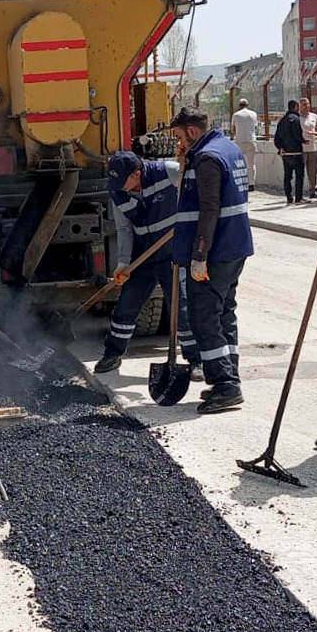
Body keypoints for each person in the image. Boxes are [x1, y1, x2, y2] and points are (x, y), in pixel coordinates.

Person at [169, 106, 254, 414]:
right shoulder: (228, 148)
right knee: (224, 312)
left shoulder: (207, 159)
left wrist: (199, 255)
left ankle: (225, 385)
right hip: (235, 247)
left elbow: (209, 210)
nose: (178, 143)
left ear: (192, 131)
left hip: (215, 251)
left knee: (204, 315)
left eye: (179, 136)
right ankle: (229, 377)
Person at [95, 151, 199, 374]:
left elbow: (198, 190)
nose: (119, 186)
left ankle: (196, 360)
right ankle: (112, 354)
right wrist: (123, 262)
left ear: (137, 173)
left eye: (123, 181)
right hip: (143, 255)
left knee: (180, 306)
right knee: (126, 304)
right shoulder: (117, 192)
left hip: (174, 253)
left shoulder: (168, 172)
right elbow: (124, 228)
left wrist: (189, 222)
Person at [273, 99, 305, 204]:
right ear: (296, 107)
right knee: (299, 176)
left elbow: (277, 137)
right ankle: (298, 198)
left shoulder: (282, 120)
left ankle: (289, 197)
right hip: (296, 152)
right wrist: (303, 141)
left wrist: (280, 147)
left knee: (287, 176)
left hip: (286, 154)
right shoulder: (296, 119)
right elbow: (297, 135)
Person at [229, 98, 260, 189]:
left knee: (239, 164)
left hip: (239, 142)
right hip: (251, 141)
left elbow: (233, 130)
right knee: (251, 164)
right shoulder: (253, 114)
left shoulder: (236, 115)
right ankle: (251, 184)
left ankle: (240, 182)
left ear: (239, 105)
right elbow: (255, 127)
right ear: (247, 105)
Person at [299, 97, 317, 199]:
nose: (307, 106)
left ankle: (313, 191)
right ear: (299, 106)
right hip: (301, 149)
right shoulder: (297, 118)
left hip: (312, 149)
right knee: (300, 172)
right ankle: (299, 192)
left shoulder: (313, 116)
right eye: (304, 104)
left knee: (313, 172)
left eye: (308, 104)